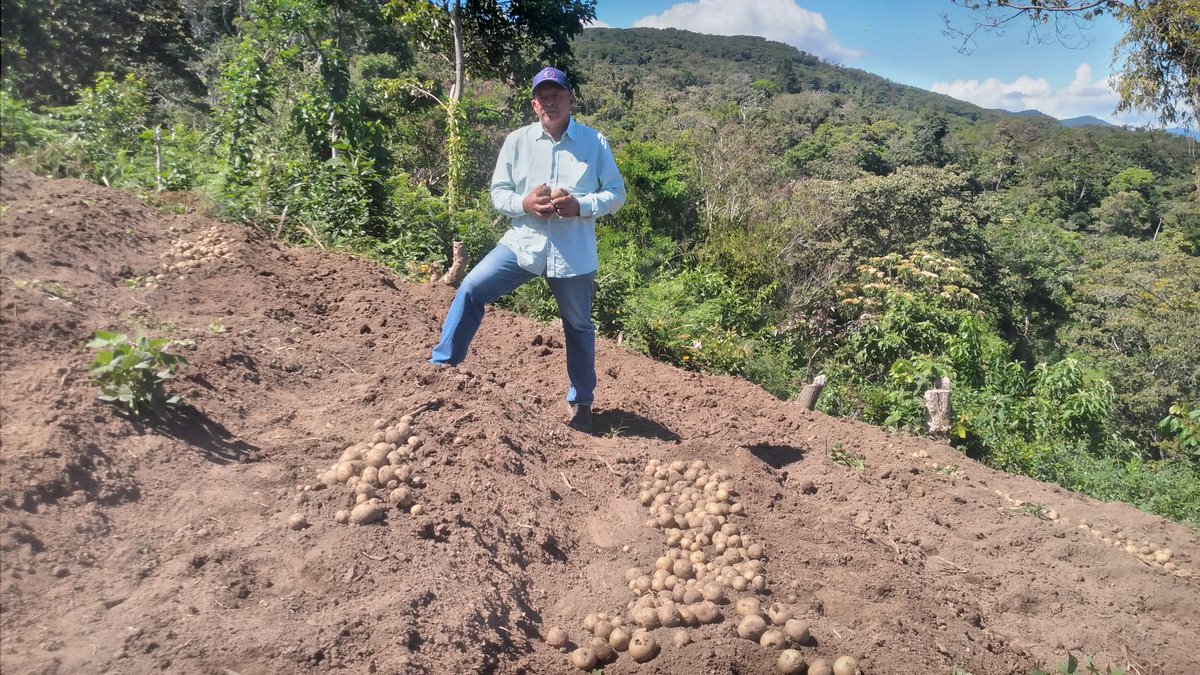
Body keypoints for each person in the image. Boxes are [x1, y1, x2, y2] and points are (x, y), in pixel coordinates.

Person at [429, 66, 626, 431]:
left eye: (557, 94)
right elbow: (498, 193)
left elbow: (616, 193)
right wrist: (525, 204)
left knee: (579, 326)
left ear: (570, 99)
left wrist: (580, 205)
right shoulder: (517, 141)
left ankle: (582, 403)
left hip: (573, 252)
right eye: (542, 97)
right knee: (472, 288)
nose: (550, 102)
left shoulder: (594, 142)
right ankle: (441, 369)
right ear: (535, 105)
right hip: (524, 244)